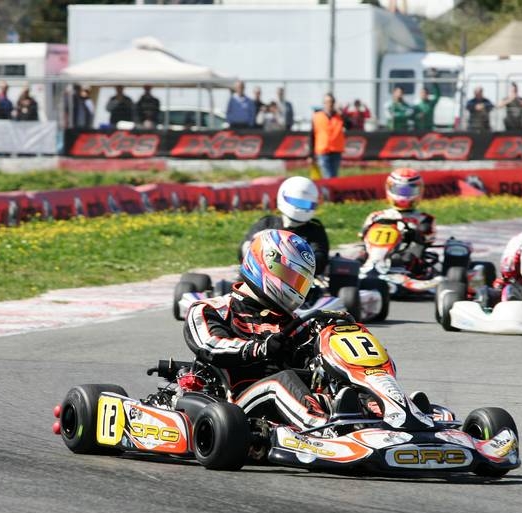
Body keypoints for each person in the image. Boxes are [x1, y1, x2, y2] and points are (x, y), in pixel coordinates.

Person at [183, 229, 328, 431]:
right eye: (290, 277)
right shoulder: (212, 309)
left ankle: (370, 421)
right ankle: (324, 431)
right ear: (264, 263)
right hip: (236, 406)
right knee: (280, 382)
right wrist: (261, 348)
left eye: (300, 282)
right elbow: (211, 346)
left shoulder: (294, 323)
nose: (294, 286)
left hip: (289, 401)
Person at [239, 176, 329, 275]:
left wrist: (293, 259)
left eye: (306, 204)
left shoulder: (314, 228)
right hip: (262, 275)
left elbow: (320, 259)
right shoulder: (267, 223)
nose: (300, 208)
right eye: (296, 202)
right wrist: (256, 242)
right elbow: (242, 252)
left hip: (296, 279)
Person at [361, 168, 436, 275]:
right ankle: (365, 266)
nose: (404, 195)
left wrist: (414, 232)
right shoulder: (377, 216)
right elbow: (363, 236)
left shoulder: (424, 218)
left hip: (406, 254)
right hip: (375, 252)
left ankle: (402, 271)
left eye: (409, 191)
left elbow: (428, 239)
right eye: (400, 190)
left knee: (404, 258)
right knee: (359, 255)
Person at [311, 93, 345, 179]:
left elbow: (350, 125)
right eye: (327, 102)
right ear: (324, 103)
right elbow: (312, 136)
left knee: (334, 175)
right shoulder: (317, 116)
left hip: (336, 150)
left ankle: (330, 188)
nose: (329, 104)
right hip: (322, 150)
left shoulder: (339, 116)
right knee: (328, 175)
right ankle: (328, 188)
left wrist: (343, 114)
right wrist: (311, 154)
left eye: (331, 102)